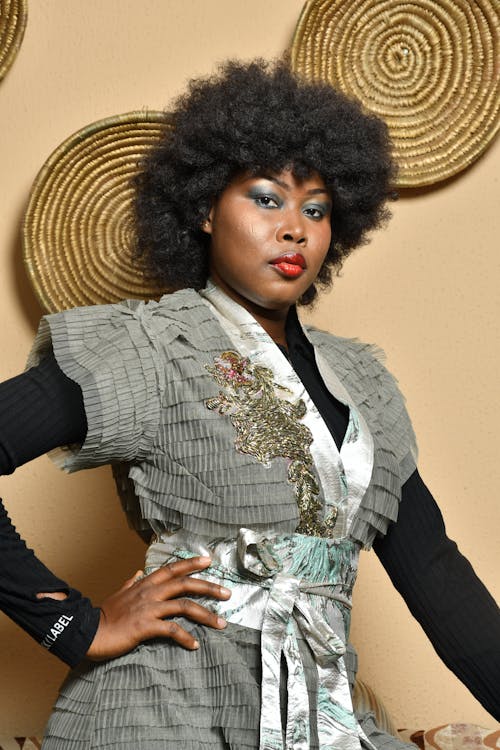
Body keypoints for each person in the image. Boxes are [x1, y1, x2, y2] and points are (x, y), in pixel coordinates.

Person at [0, 59, 498, 749]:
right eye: (267, 198)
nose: (294, 228)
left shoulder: (364, 384)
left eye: (316, 209)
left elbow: (436, 575)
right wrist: (75, 624)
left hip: (319, 722)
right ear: (205, 208)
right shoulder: (149, 347)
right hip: (161, 718)